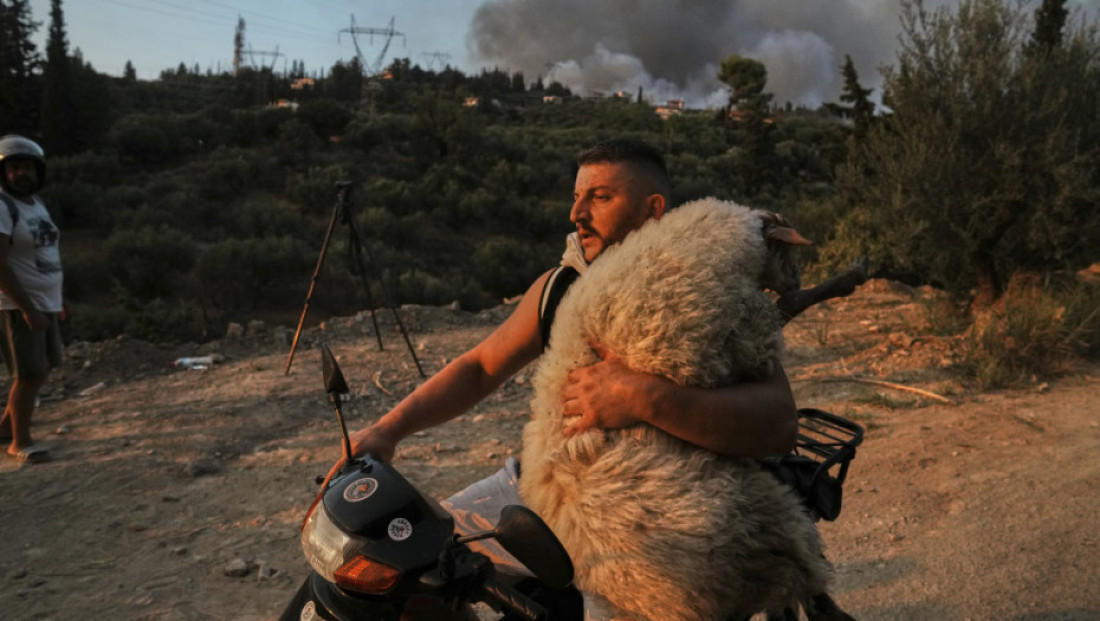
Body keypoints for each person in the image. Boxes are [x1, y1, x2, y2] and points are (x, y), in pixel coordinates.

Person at [337, 138, 797, 615]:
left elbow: (780, 422)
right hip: (543, 485)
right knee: (414, 563)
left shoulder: (705, 289)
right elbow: (479, 368)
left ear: (652, 210)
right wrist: (386, 430)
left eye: (600, 197)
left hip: (647, 518)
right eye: (576, 196)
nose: (577, 213)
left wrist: (645, 398)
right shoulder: (563, 284)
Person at [0, 135, 65, 464]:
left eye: (26, 167)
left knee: (43, 368)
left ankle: (5, 429)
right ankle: (19, 442)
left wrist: (58, 301)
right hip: (19, 305)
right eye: (13, 168)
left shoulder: (36, 203)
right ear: (3, 172)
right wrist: (26, 308)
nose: (20, 174)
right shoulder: (2, 206)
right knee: (29, 373)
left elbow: (46, 252)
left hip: (46, 300)